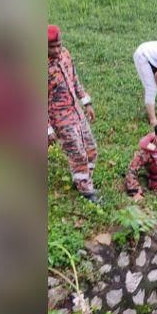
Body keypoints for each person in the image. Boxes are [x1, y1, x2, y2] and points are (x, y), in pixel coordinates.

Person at [47, 24, 99, 202]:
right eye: (51, 47)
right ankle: (85, 190)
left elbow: (74, 79)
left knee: (91, 149)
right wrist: (47, 129)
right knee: (77, 152)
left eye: (58, 45)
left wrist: (86, 101)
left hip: (76, 110)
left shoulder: (65, 55)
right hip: (58, 117)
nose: (56, 50)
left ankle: (84, 177)